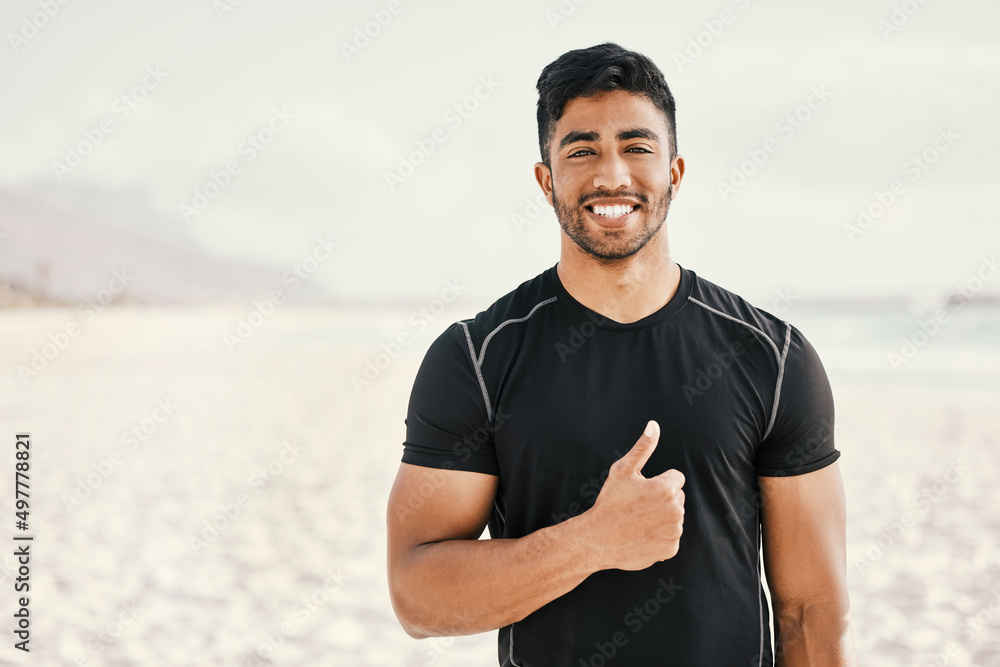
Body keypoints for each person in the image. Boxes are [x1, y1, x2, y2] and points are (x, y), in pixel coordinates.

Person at [386, 42, 857, 666]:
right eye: (582, 150)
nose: (612, 175)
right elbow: (417, 598)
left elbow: (811, 612)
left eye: (637, 147)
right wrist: (591, 542)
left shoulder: (772, 358)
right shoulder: (475, 359)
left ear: (675, 173)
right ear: (545, 179)